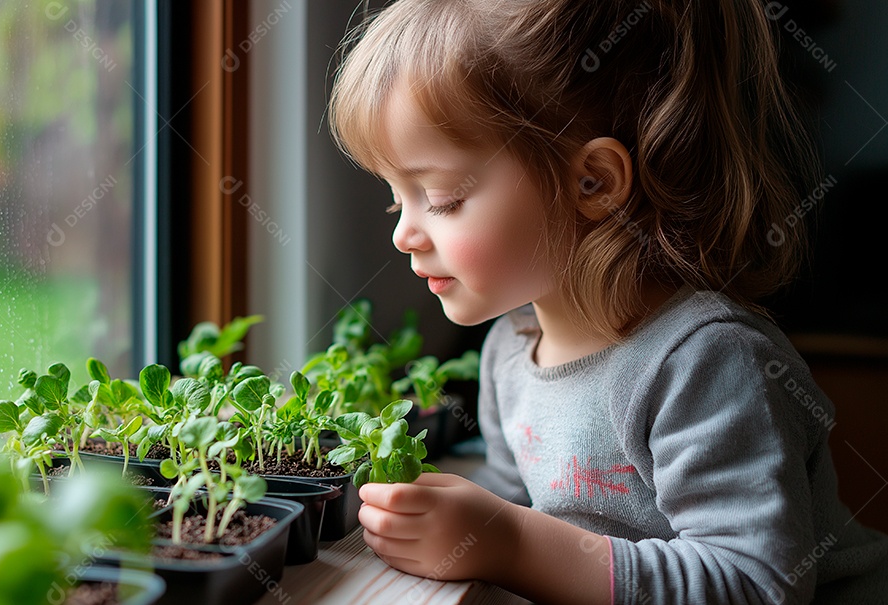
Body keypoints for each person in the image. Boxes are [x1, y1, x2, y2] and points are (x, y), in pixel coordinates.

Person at [326, 0, 888, 603]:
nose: (402, 234)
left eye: (439, 198)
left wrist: (510, 543)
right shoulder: (511, 351)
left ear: (591, 182)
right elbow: (520, 496)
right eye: (395, 201)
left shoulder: (706, 363)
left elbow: (754, 584)